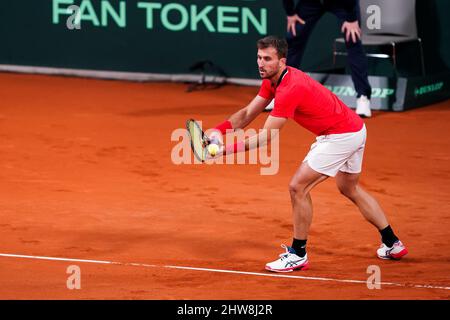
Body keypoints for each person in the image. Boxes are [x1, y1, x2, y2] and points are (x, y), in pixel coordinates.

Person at [207, 36, 407, 272]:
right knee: (349, 188)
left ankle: (298, 253)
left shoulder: (290, 88)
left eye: (267, 59)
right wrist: (219, 131)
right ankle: (392, 242)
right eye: (259, 57)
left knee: (298, 187)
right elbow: (249, 112)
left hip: (339, 135)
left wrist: (223, 151)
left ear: (282, 61)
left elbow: (267, 137)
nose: (261, 63)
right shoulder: (273, 79)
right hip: (355, 129)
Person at [272, 0, 372, 118]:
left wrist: (351, 19)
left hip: (342, 3)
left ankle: (363, 97)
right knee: (293, 37)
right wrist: (290, 13)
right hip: (310, 3)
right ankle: (281, 94)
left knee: (352, 38)